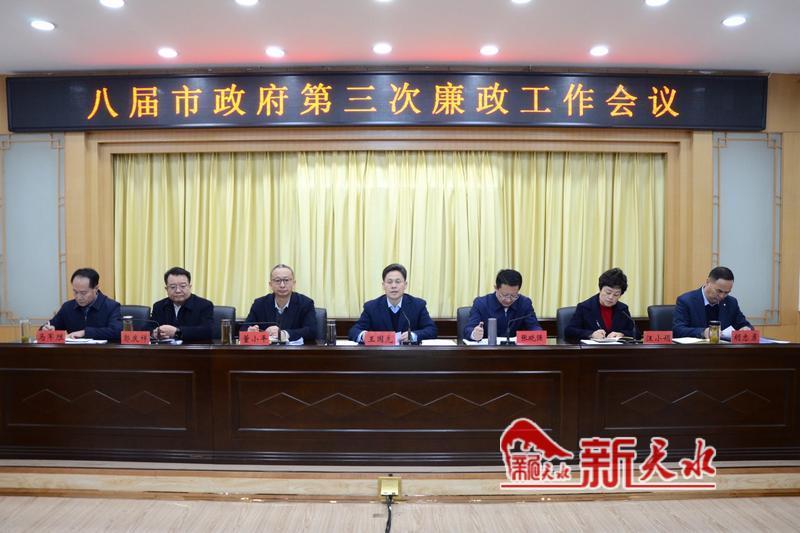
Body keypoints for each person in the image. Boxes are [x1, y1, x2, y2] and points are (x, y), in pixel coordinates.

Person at [348, 263, 437, 343]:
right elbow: (354, 331)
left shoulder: (418, 305)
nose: (393, 286)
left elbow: (432, 330)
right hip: (380, 354)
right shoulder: (371, 307)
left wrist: (413, 336)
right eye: (389, 282)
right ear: (383, 285)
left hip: (409, 354)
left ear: (405, 285)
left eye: (398, 282)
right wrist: (364, 336)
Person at [243, 264, 317, 344]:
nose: (282, 285)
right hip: (267, 350)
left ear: (293, 283)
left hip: (295, 351)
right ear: (270, 284)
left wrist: (285, 334)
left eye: (286, 280)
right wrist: (250, 331)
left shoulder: (305, 303)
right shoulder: (259, 304)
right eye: (277, 281)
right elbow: (243, 330)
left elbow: (311, 331)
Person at [41, 267, 123, 341]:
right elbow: (47, 328)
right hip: (74, 351)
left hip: (103, 352)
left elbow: (117, 331)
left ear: (96, 288)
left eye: (83, 293)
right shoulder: (68, 307)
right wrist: (46, 329)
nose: (79, 297)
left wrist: (85, 333)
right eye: (75, 292)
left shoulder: (111, 306)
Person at [673, 266, 752, 339]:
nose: (722, 296)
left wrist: (746, 329)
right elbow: (678, 330)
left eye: (726, 292)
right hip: (696, 348)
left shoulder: (731, 302)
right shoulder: (686, 301)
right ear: (708, 282)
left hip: (724, 348)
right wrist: (703, 332)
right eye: (719, 291)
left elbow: (744, 324)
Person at [463, 269, 542, 342]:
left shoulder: (524, 303)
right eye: (504, 295)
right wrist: (474, 334)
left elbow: (534, 326)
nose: (508, 300)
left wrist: (537, 334)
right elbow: (469, 329)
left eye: (514, 296)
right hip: (488, 350)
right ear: (496, 288)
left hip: (516, 350)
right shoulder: (481, 303)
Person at [564, 268, 636, 342]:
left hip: (616, 348)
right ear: (600, 289)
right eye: (608, 292)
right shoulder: (585, 307)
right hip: (593, 349)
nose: (611, 297)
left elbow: (636, 333)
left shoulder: (623, 309)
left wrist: (622, 334)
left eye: (616, 294)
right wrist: (591, 334)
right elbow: (569, 331)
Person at [150, 267, 214, 343]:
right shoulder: (159, 306)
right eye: (173, 287)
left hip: (193, 349)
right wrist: (154, 333)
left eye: (183, 286)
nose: (178, 290)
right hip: (165, 349)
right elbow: (147, 328)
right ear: (166, 289)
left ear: (189, 287)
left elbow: (207, 331)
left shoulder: (204, 305)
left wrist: (177, 332)